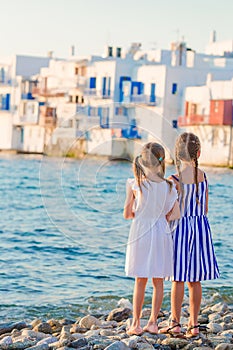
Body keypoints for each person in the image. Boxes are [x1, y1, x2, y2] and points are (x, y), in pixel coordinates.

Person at [160, 132, 220, 338]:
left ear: (177, 154)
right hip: (200, 229)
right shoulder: (204, 176)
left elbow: (169, 211)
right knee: (195, 280)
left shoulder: (173, 179)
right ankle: (193, 325)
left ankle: (175, 323)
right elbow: (205, 209)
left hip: (180, 230)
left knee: (178, 279)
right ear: (199, 153)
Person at [124, 142, 180, 336]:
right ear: (162, 161)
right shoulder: (170, 186)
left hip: (141, 231)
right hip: (160, 232)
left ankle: (136, 324)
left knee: (140, 279)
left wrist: (137, 209)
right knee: (158, 280)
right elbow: (173, 214)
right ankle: (153, 323)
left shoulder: (135, 183)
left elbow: (127, 214)